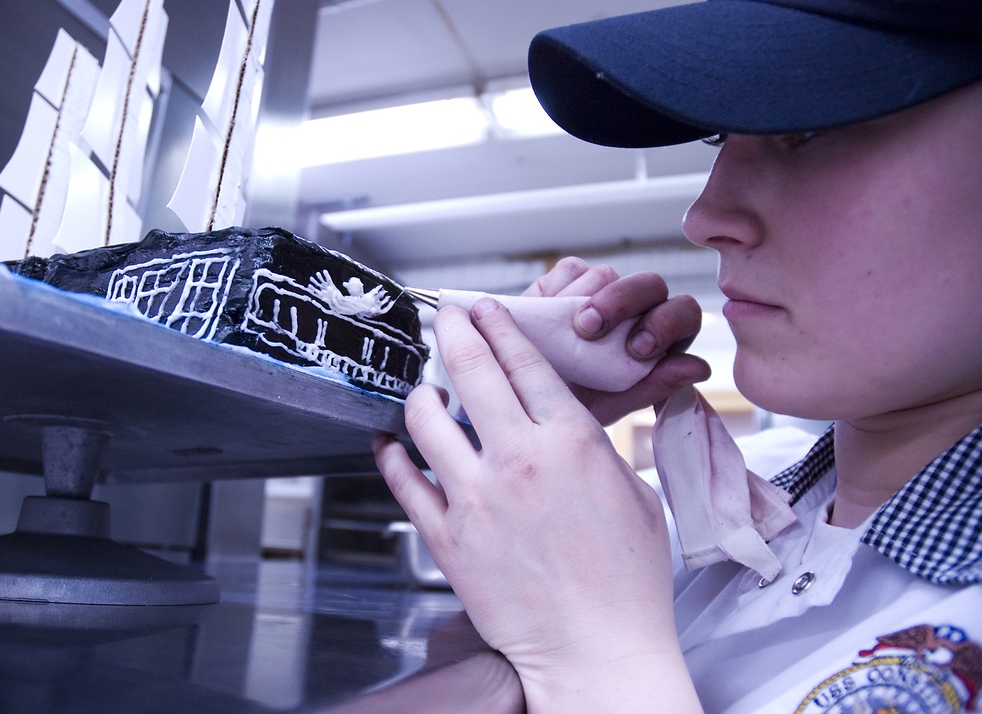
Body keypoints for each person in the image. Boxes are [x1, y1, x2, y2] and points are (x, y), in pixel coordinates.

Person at [372, 0, 982, 711]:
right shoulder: (733, 498)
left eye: (806, 129)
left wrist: (596, 659)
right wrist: (511, 431)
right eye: (721, 137)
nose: (703, 217)